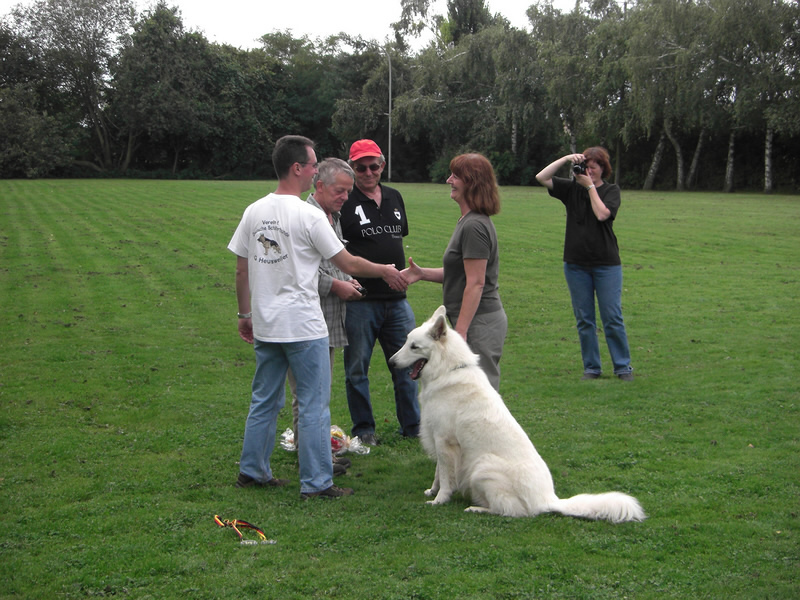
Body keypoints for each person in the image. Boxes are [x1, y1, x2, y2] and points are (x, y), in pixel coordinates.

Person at [228, 135, 407, 500]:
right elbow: (348, 263)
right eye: (312, 166)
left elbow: (241, 270)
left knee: (264, 399)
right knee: (313, 404)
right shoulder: (308, 215)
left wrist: (244, 314)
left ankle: (252, 471)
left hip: (266, 325)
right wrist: (385, 270)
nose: (315, 173)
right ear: (297, 168)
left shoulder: (253, 211)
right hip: (305, 327)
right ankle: (317, 482)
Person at [401, 153, 507, 391]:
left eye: (455, 176)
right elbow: (461, 274)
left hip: (481, 322)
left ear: (472, 182)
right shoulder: (467, 221)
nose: (449, 180)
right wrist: (421, 273)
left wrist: (460, 333)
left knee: (480, 394)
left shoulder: (474, 225)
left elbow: (476, 283)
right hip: (475, 320)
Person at [339, 139, 420, 445]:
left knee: (408, 364)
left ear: (382, 165)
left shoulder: (395, 197)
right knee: (357, 368)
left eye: (374, 166)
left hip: (397, 300)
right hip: (361, 301)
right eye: (361, 168)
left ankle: (413, 426)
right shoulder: (344, 200)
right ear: (352, 168)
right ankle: (364, 430)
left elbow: (396, 238)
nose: (368, 172)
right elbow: (336, 249)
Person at [287, 158, 363, 474]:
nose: (345, 197)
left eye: (348, 191)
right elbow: (298, 270)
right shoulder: (306, 217)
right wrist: (336, 285)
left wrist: (346, 280)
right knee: (308, 394)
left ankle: (317, 453)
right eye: (339, 191)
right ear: (319, 185)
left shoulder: (332, 216)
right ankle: (312, 459)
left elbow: (331, 263)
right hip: (308, 320)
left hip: (328, 320)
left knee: (319, 392)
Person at [535, 147, 634, 381]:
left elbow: (602, 214)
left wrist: (589, 187)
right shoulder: (571, 189)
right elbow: (541, 177)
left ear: (603, 169)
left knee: (612, 317)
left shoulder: (611, 190)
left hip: (606, 264)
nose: (588, 171)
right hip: (575, 264)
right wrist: (566, 158)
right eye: (585, 167)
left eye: (593, 167)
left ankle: (622, 367)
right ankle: (592, 368)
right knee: (584, 320)